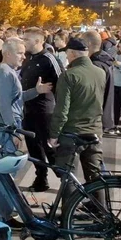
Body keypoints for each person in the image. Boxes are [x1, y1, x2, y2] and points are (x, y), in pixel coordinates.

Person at [0, 37, 51, 226]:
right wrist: (14, 131)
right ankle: (3, 216)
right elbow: (6, 105)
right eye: (20, 53)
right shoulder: (5, 73)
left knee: (5, 173)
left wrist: (36, 91)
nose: (24, 57)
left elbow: (16, 98)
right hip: (8, 127)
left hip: (9, 125)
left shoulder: (7, 72)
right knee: (6, 174)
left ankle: (3, 212)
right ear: (7, 53)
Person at [47, 38, 106, 203]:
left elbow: (62, 110)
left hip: (72, 133)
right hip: (94, 130)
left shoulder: (68, 75)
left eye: (67, 53)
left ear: (72, 53)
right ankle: (101, 211)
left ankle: (67, 216)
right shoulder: (100, 72)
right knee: (94, 174)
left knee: (68, 176)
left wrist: (54, 134)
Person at [19, 27, 64, 192]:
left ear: (38, 41)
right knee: (33, 146)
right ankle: (41, 178)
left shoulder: (49, 58)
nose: (24, 43)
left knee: (49, 148)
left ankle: (65, 180)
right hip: (29, 109)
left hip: (45, 110)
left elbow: (62, 83)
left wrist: (60, 112)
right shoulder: (28, 58)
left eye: (27, 40)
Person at [81, 31, 116, 135]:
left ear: (88, 43)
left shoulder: (95, 65)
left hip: (93, 118)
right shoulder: (105, 61)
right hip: (102, 115)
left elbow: (92, 93)